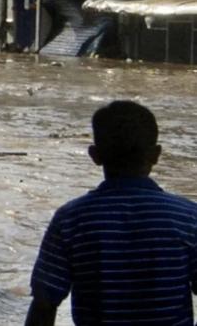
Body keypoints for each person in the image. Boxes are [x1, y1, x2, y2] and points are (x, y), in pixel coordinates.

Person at [25, 100, 197, 326]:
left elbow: (44, 304)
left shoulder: (71, 219)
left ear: (94, 155)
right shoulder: (188, 217)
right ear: (156, 155)